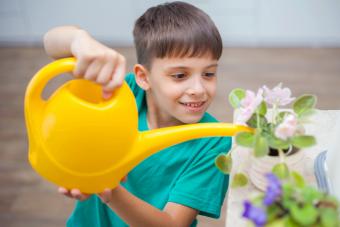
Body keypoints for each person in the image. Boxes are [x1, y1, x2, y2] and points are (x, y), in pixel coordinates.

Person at [43, 2, 231, 226]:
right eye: (180, 75)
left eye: (209, 73)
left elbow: (172, 224)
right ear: (143, 78)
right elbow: (51, 42)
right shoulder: (124, 93)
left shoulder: (213, 142)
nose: (199, 89)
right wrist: (79, 40)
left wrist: (107, 187)